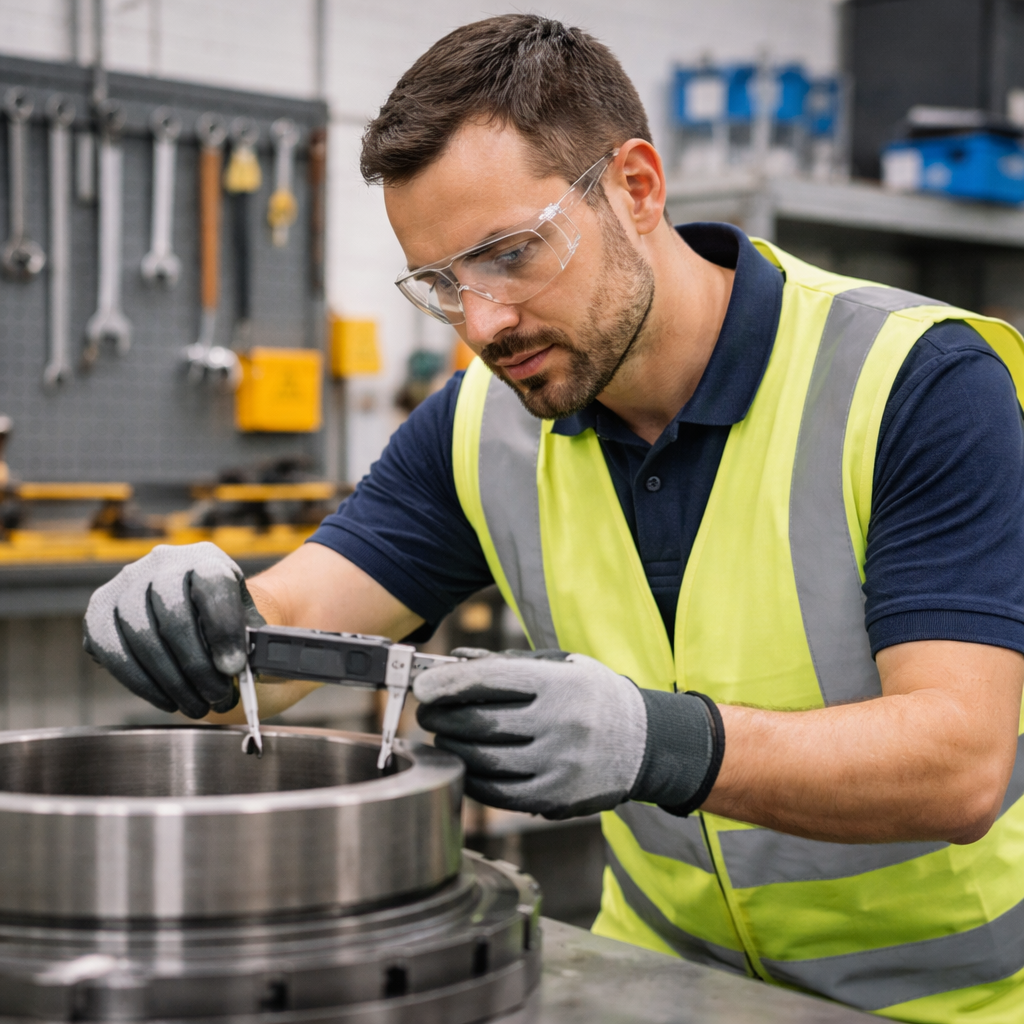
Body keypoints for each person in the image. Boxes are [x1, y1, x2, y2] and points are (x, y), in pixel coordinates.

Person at [83, 15, 1024, 1022]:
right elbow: (279, 638)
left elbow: (957, 762)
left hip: (945, 1001)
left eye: (511, 253)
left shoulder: (914, 383)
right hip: (670, 986)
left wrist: (659, 744)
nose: (482, 322)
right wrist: (189, 616)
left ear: (637, 188)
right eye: (442, 284)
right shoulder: (480, 428)